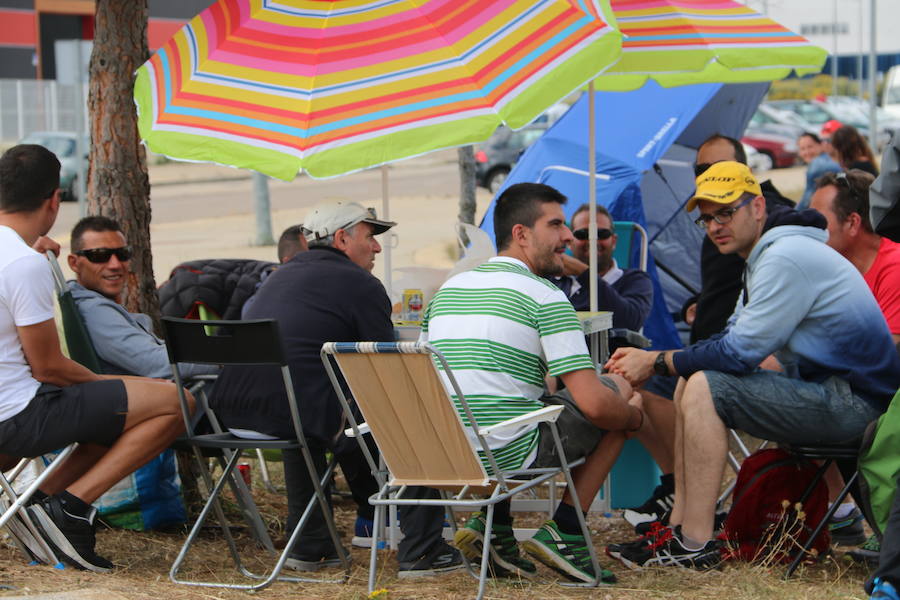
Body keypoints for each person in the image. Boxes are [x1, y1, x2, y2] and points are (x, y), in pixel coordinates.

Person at [604, 161, 900, 569]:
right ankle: (679, 530)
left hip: (858, 407)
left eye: (726, 212)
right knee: (690, 379)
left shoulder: (786, 257)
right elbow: (730, 340)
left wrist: (655, 361)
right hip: (839, 394)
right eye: (707, 218)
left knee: (706, 383)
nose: (715, 226)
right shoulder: (771, 254)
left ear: (758, 207)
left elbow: (738, 352)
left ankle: (695, 542)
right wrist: (669, 364)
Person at [210, 201, 461, 577]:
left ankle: (312, 547)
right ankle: (423, 551)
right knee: (414, 413)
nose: (377, 247)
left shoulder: (280, 275)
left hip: (231, 413)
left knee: (301, 413)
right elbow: (386, 370)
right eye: (369, 237)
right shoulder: (361, 284)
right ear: (342, 238)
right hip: (296, 414)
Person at [423, 182, 643, 583]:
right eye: (556, 224)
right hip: (503, 457)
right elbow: (594, 406)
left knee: (524, 397)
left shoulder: (448, 291)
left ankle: (495, 528)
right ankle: (567, 529)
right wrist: (633, 418)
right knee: (620, 397)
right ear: (521, 234)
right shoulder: (544, 296)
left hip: (441, 453)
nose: (567, 237)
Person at [0, 144, 191, 572]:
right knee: (177, 400)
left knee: (114, 416)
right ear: (54, 200)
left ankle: (41, 510)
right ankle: (67, 509)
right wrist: (109, 384)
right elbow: (48, 366)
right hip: (15, 417)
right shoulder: (20, 264)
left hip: (10, 415)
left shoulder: (18, 256)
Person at [621, 134, 794, 528]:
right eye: (700, 171)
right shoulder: (744, 238)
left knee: (661, 388)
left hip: (772, 370)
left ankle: (686, 514)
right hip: (716, 344)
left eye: (725, 213)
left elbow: (751, 340)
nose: (715, 224)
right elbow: (733, 294)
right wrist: (696, 304)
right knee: (652, 386)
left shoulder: (779, 233)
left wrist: (663, 360)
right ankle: (682, 510)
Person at [67, 215, 219, 379]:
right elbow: (156, 363)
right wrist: (226, 359)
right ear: (74, 263)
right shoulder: (95, 311)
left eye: (122, 254)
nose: (115, 265)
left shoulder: (84, 301)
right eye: (99, 255)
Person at [810, 171, 900, 345]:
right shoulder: (832, 269)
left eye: (817, 219)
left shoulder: (895, 269)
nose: (808, 226)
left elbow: (887, 358)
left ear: (852, 223)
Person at [553, 203, 653, 331]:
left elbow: (630, 322)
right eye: (583, 234)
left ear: (614, 241)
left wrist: (584, 273)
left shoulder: (635, 280)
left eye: (602, 233)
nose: (592, 240)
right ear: (570, 243)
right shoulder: (554, 282)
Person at [797, 132, 841, 210]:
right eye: (802, 149)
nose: (807, 152)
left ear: (820, 145)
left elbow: (807, 202)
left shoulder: (818, 166)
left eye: (810, 147)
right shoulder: (826, 161)